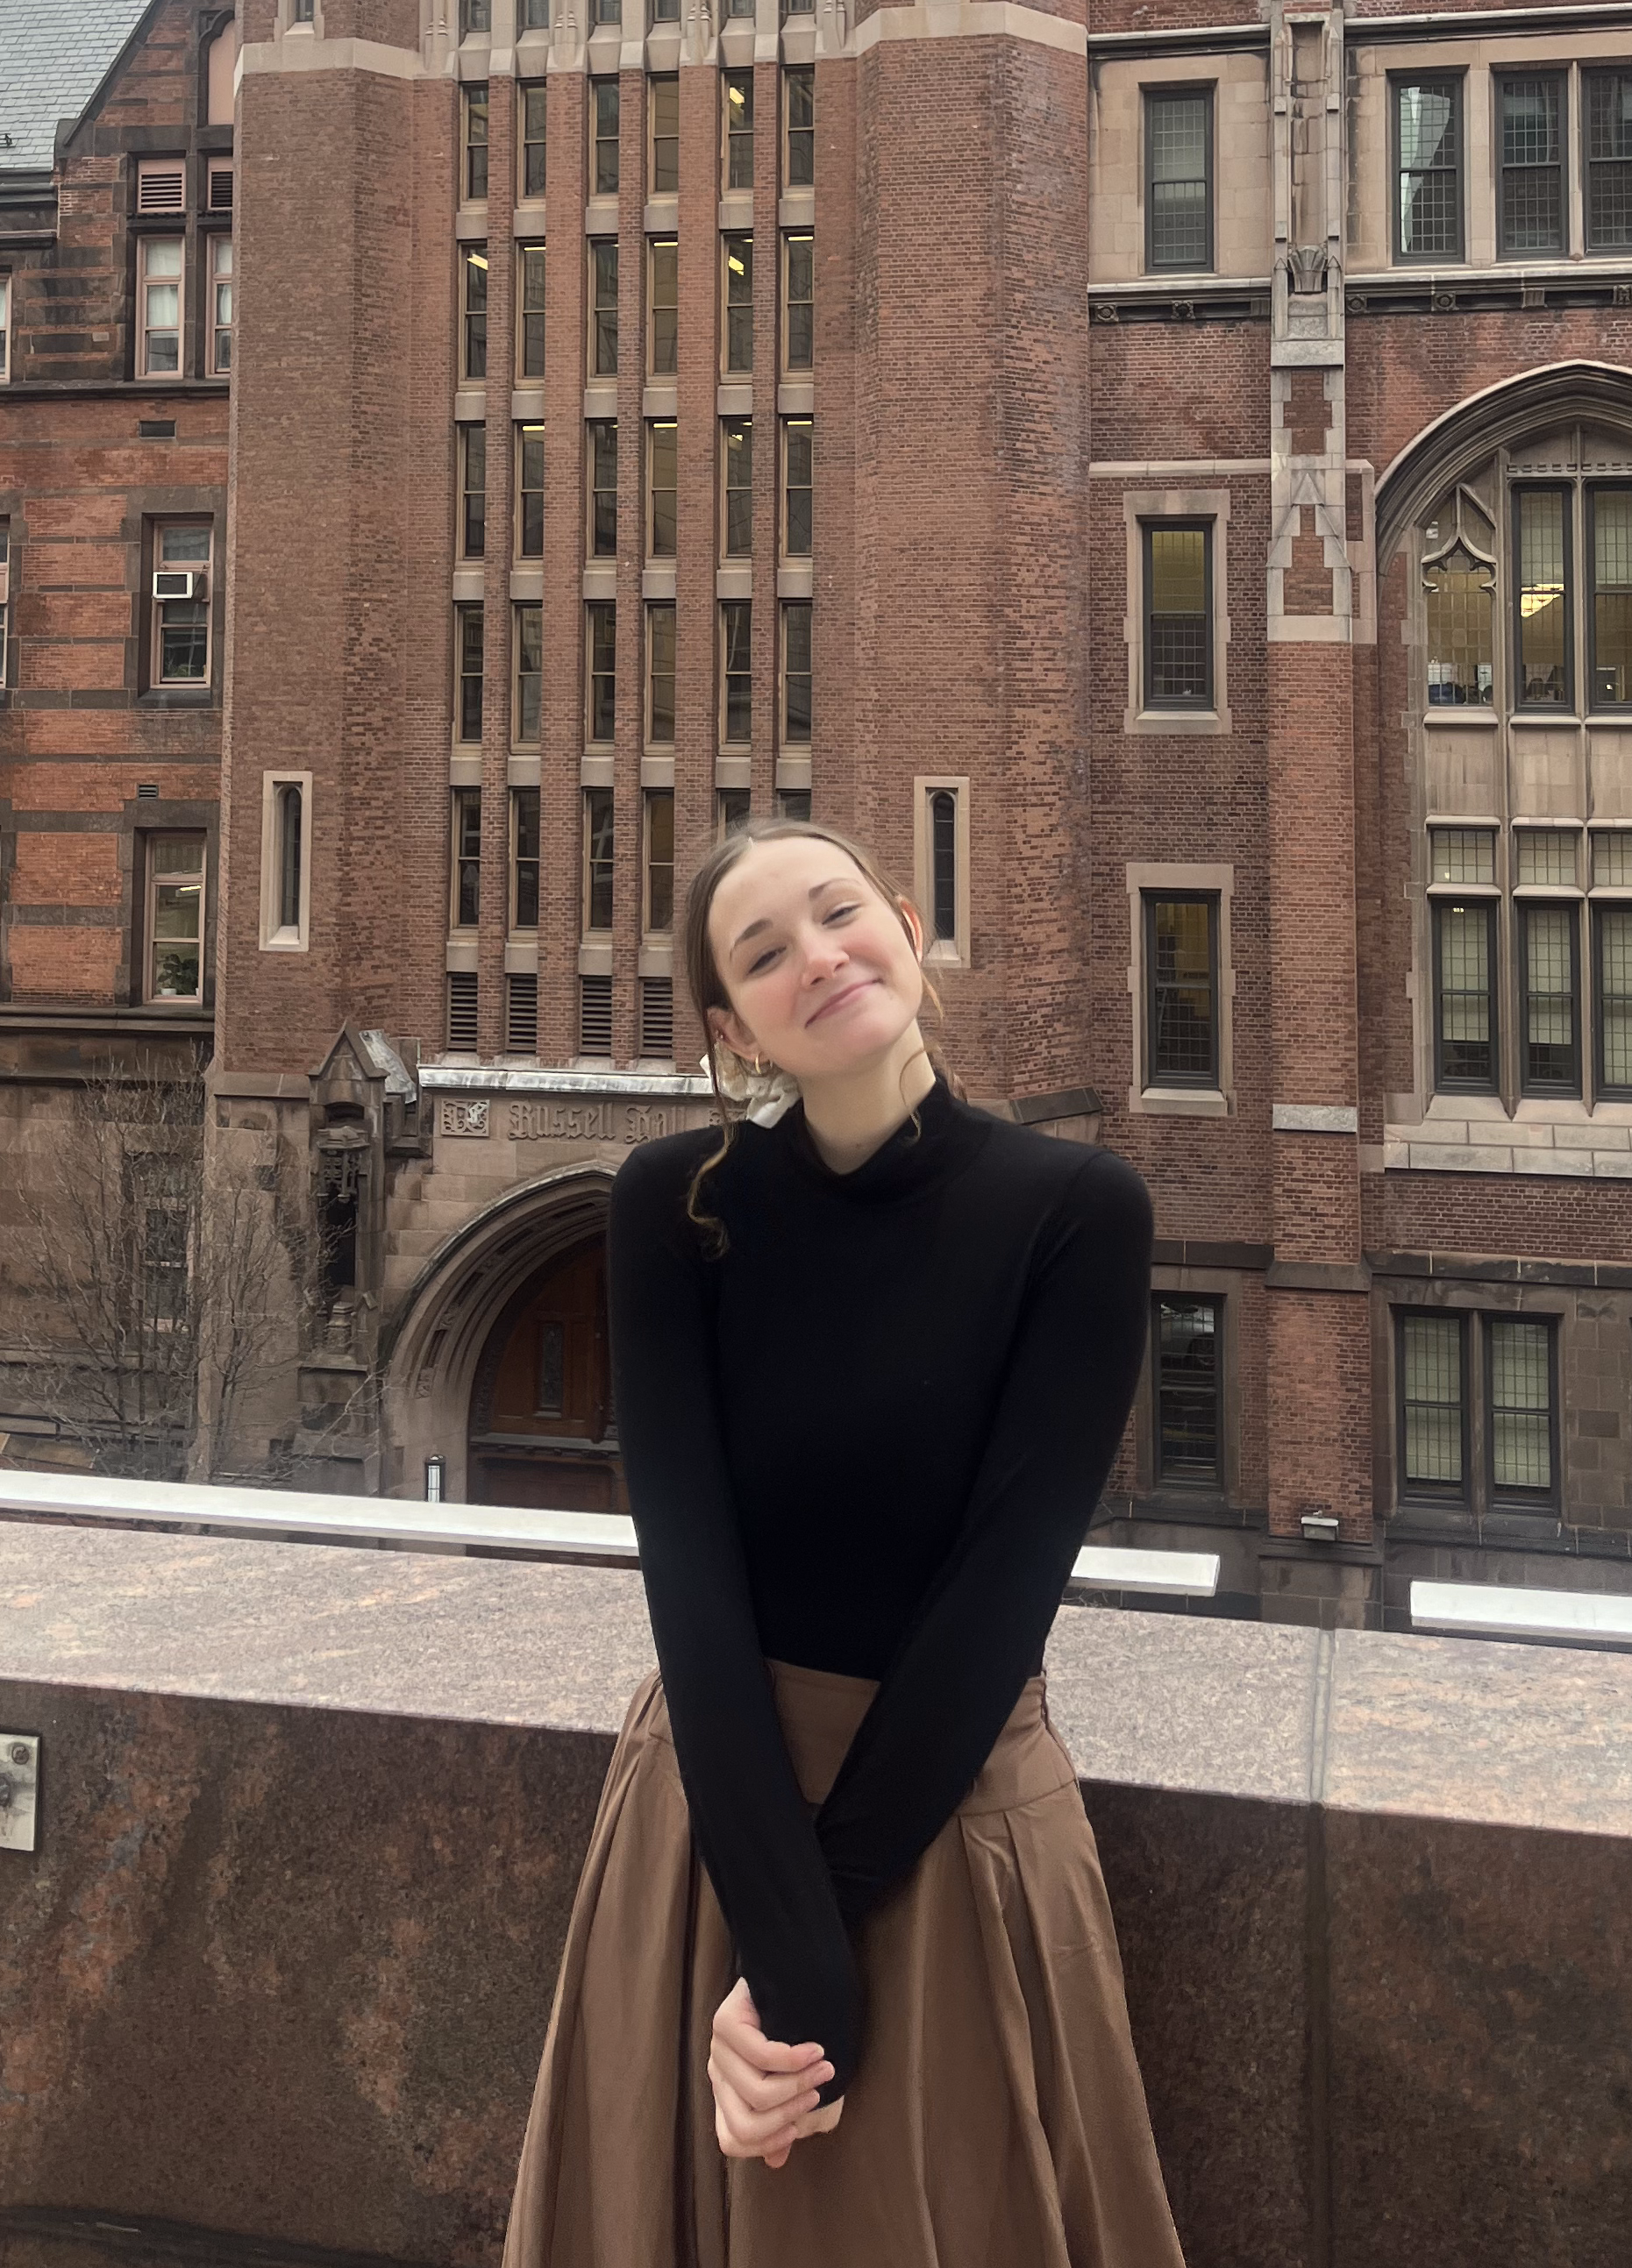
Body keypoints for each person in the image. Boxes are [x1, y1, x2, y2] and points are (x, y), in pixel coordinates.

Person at [501, 817, 1187, 2268]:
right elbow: (688, 1577)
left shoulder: (1077, 1213)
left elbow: (1002, 1592)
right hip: (708, 1826)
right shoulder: (673, 1208)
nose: (815, 956)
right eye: (762, 952)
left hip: (953, 1831)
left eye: (837, 913)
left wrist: (810, 1971)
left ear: (907, 924)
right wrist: (778, 1940)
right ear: (729, 1024)